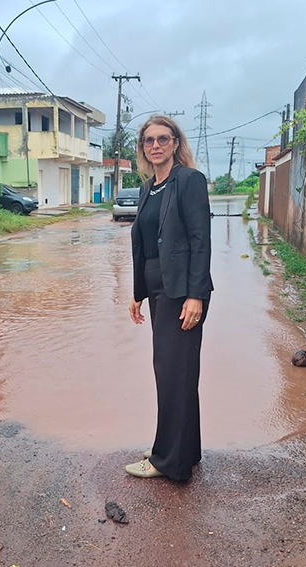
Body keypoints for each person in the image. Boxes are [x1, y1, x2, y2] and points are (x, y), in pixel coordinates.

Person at [126, 115, 213, 482]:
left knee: (173, 373)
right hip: (157, 290)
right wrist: (137, 293)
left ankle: (167, 460)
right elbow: (145, 244)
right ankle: (184, 450)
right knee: (175, 373)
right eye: (149, 140)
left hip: (181, 293)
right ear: (143, 148)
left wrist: (195, 295)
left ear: (176, 143)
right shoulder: (149, 187)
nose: (156, 145)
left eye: (164, 138)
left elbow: (199, 240)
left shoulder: (189, 181)